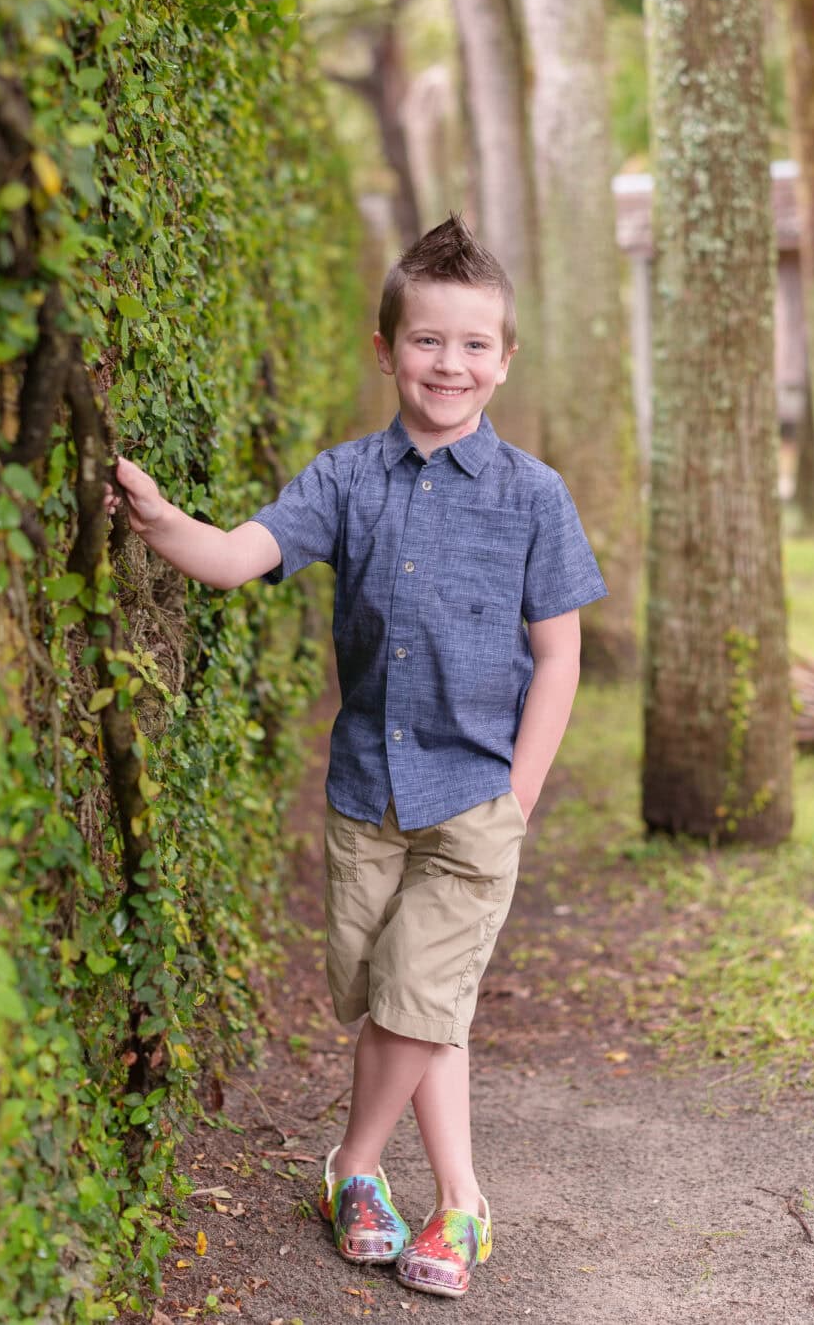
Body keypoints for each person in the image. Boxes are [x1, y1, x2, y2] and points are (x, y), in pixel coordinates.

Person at [106, 215, 607, 1299]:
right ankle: (463, 1197)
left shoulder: (534, 495)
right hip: (366, 795)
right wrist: (161, 523)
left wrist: (519, 793)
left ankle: (356, 1166)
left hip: (476, 797)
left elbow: (558, 655)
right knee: (406, 997)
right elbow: (242, 557)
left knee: (413, 996)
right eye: (427, 341)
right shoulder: (345, 480)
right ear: (386, 349)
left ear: (505, 359)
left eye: (475, 346)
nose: (450, 365)